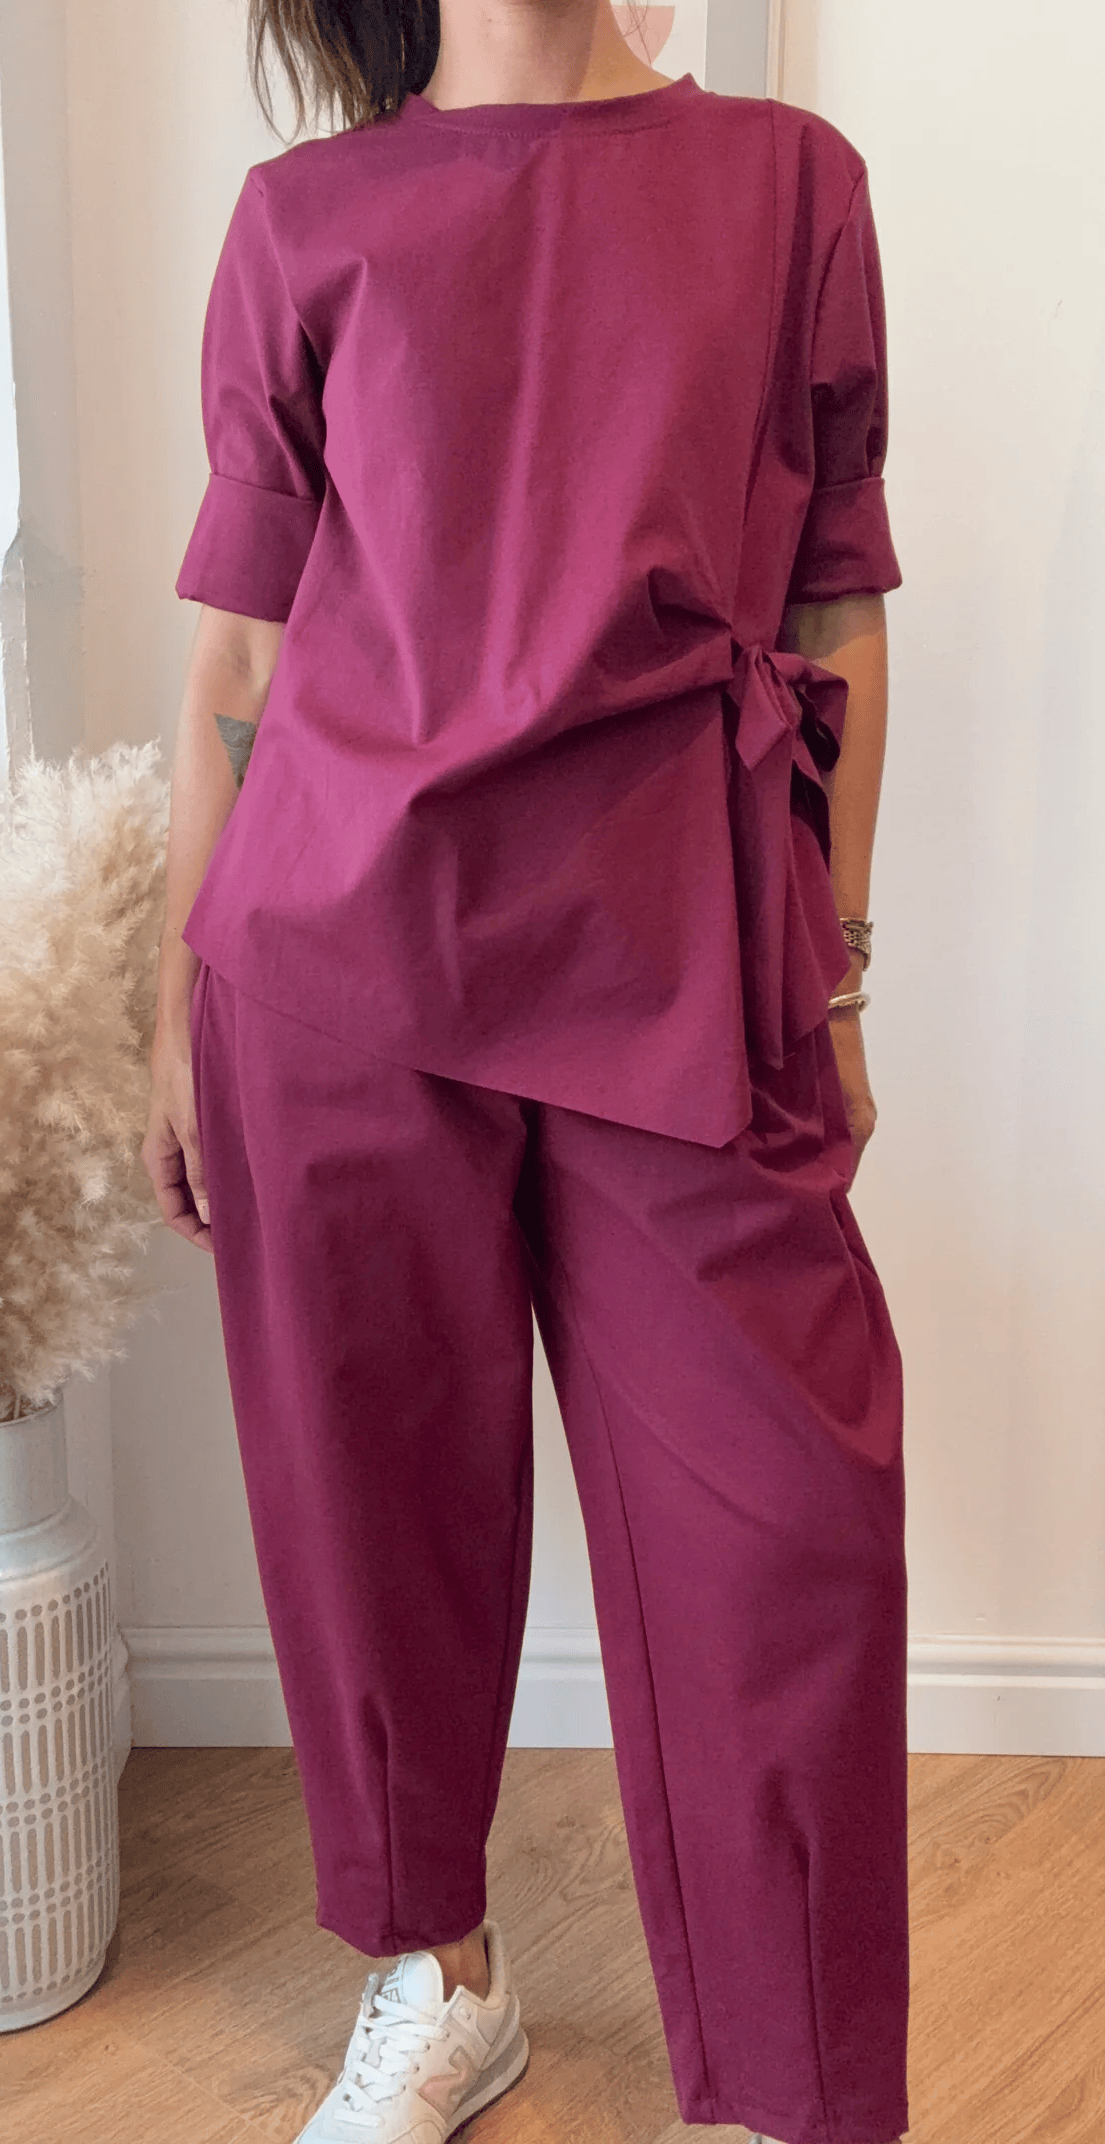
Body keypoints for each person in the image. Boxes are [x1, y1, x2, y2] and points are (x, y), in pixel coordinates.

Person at [141, 0, 910, 2138]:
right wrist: (171, 1002)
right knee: (369, 1505)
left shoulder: (788, 187)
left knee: (789, 1537)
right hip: (333, 963)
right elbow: (241, 646)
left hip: (687, 956)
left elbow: (836, 605)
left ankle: (796, 2086)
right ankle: (439, 1977)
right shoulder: (303, 219)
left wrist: (835, 974)